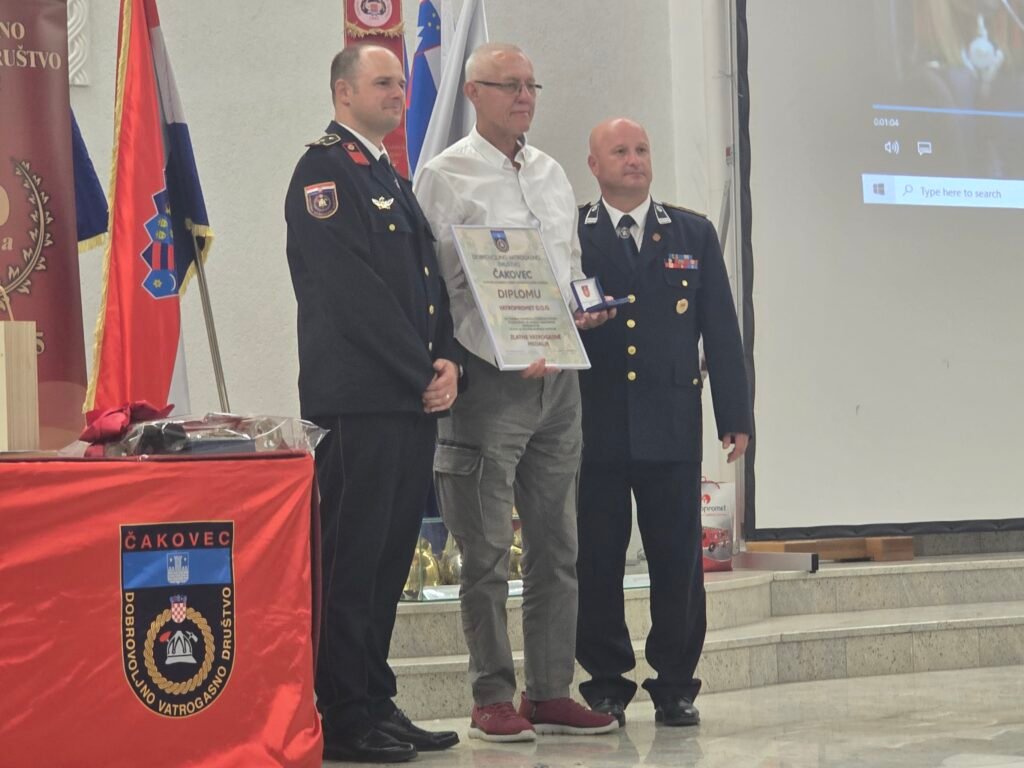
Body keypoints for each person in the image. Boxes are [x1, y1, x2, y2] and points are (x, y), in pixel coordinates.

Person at [413, 43, 618, 742]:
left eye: (532, 85)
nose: (525, 96)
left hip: (559, 381)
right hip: (488, 381)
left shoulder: (552, 172)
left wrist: (583, 307)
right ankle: (491, 696)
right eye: (510, 85)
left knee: (559, 545)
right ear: (474, 92)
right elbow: (432, 286)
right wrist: (498, 342)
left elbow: (569, 267)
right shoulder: (445, 175)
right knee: (487, 553)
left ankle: (551, 689)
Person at [284, 44, 462, 764]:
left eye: (400, 82)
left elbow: (427, 283)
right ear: (343, 92)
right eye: (382, 82)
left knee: (390, 560)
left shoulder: (388, 172)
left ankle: (375, 698)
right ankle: (343, 713)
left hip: (406, 399)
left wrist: (447, 358)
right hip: (358, 402)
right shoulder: (324, 173)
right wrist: (421, 368)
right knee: (352, 561)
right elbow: (351, 293)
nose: (398, 93)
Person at [573, 118, 751, 728]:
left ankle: (675, 683)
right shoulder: (572, 231)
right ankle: (604, 683)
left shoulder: (691, 233)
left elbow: (720, 330)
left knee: (676, 562)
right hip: (593, 422)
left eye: (642, 150)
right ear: (594, 165)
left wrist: (734, 414)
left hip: (670, 422)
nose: (634, 160)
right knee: (597, 559)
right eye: (620, 151)